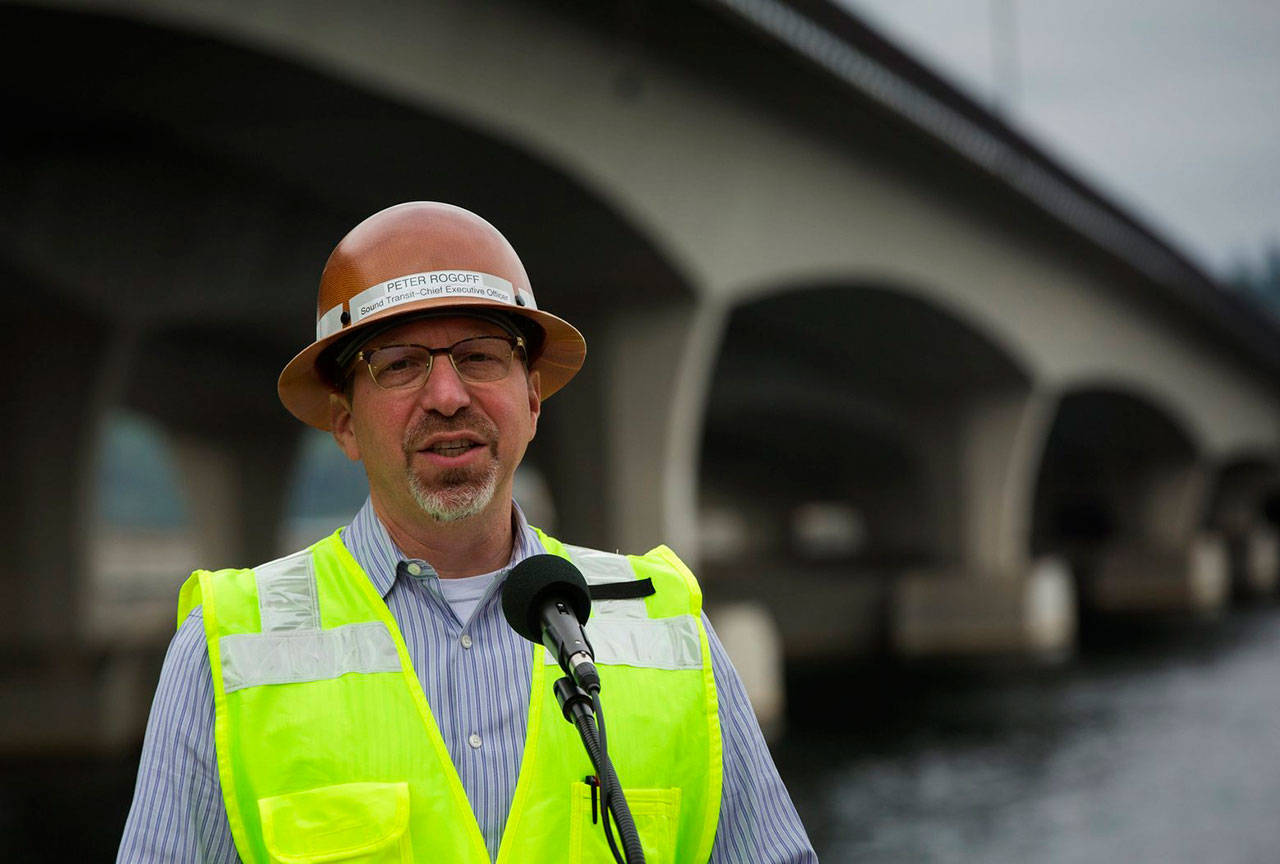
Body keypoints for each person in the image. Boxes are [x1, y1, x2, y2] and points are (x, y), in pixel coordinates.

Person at [118, 202, 817, 863]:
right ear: (345, 424)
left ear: (532, 399)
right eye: (398, 365)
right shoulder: (228, 649)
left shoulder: (669, 627)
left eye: (481, 356)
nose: (448, 397)